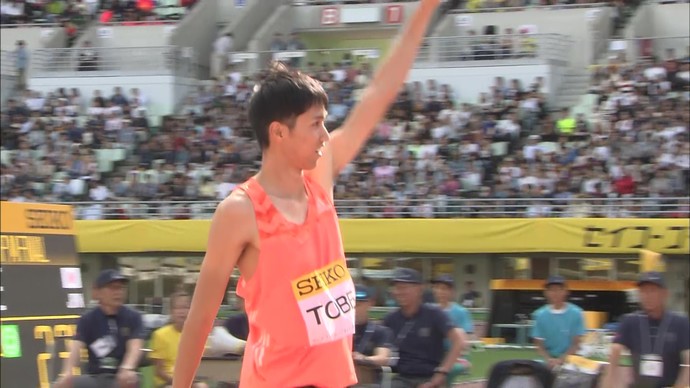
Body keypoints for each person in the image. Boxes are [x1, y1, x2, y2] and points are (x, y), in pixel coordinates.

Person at [172, 1, 443, 386]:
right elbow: (200, 317)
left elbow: (380, 92)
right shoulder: (239, 211)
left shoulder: (319, 179)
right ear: (279, 132)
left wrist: (422, 12)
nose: (325, 135)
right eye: (315, 124)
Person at [55, 269, 144, 388]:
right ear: (98, 292)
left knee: (128, 380)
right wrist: (67, 372)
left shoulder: (133, 317)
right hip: (96, 377)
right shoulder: (87, 319)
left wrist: (127, 368)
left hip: (122, 376)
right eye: (112, 288)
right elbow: (76, 348)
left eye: (121, 288)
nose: (118, 292)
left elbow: (135, 347)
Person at [601, 272, 690, 388]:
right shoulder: (630, 321)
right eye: (643, 291)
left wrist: (681, 385)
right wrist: (608, 384)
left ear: (664, 294)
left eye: (652, 290)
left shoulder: (679, 322)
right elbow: (614, 353)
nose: (647, 296)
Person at [383, 268, 466, 388]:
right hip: (402, 377)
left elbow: (458, 341)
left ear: (419, 289)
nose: (398, 292)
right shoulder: (391, 319)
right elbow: (381, 345)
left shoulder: (434, 314)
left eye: (404, 287)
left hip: (431, 377)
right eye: (396, 288)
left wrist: (442, 372)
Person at [149, 291, 208, 388]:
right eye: (178, 308)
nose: (182, 312)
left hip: (191, 381)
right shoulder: (160, 335)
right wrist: (180, 382)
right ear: (171, 312)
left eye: (186, 308)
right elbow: (159, 371)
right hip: (167, 382)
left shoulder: (198, 335)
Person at [531, 275, 585, 371]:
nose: (555, 293)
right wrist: (549, 359)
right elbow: (539, 345)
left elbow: (576, 344)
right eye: (551, 290)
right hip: (548, 358)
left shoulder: (576, 313)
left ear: (566, 291)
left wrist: (561, 360)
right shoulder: (540, 315)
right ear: (546, 293)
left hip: (570, 358)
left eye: (559, 289)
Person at [431, 275, 474, 386]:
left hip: (457, 357)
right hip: (433, 356)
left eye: (444, 289)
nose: (441, 292)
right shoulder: (429, 311)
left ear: (452, 292)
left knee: (444, 371)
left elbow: (465, 339)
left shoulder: (461, 312)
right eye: (438, 288)